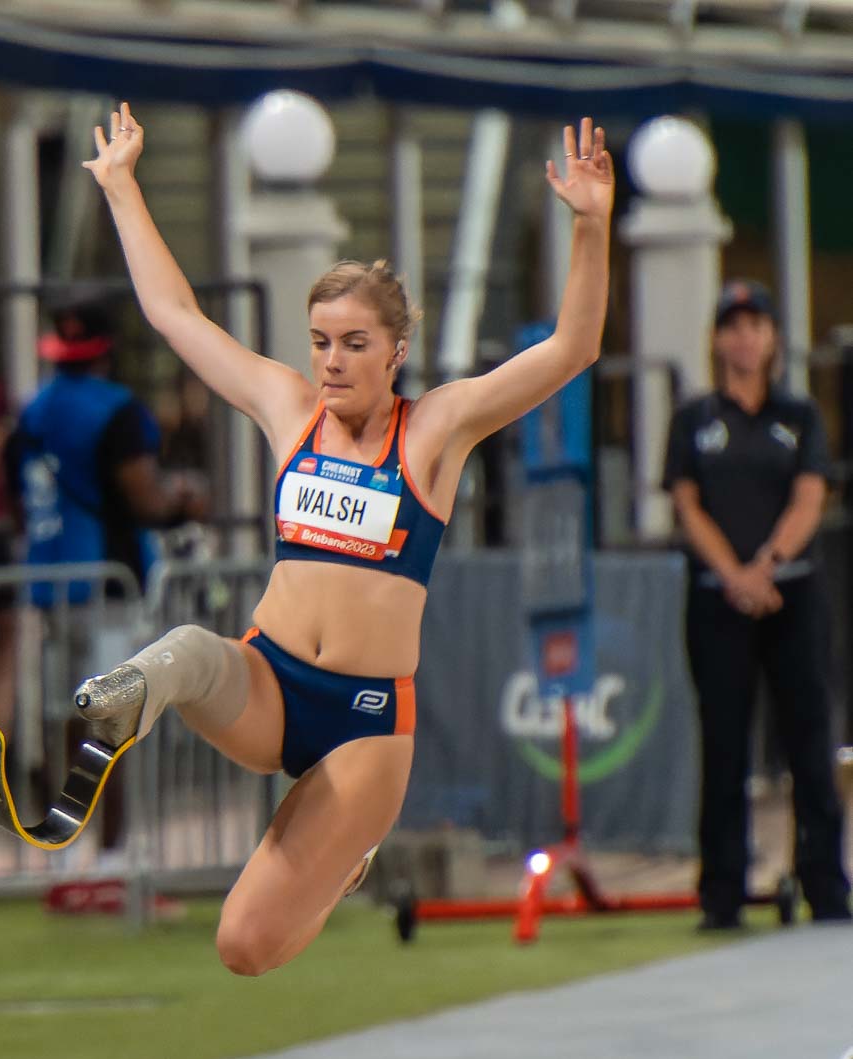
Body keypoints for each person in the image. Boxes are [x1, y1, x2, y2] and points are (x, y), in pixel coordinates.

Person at [72, 102, 613, 975]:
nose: (332, 361)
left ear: (396, 352)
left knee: (244, 947)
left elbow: (573, 348)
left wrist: (590, 225)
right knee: (190, 648)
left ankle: (343, 865)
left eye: (355, 344)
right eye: (322, 342)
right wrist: (122, 187)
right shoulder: (290, 410)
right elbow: (175, 316)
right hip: (268, 680)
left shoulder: (433, 431)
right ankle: (127, 695)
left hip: (364, 722)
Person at [664, 279, 850, 931]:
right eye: (733, 327)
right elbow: (687, 504)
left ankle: (826, 885)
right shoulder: (695, 420)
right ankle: (722, 893)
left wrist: (766, 565)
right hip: (718, 599)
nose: (745, 339)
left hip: (792, 592)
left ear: (772, 339)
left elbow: (809, 496)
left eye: (756, 326)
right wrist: (735, 575)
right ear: (718, 340)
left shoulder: (798, 416)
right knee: (724, 743)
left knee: (809, 739)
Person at [8, 298, 208, 848]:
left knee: (60, 718)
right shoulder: (117, 409)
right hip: (109, 585)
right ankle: (112, 853)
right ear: (106, 351)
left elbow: (19, 498)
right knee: (111, 719)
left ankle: (62, 847)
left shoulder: (33, 410)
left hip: (50, 585)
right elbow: (144, 498)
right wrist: (185, 503)